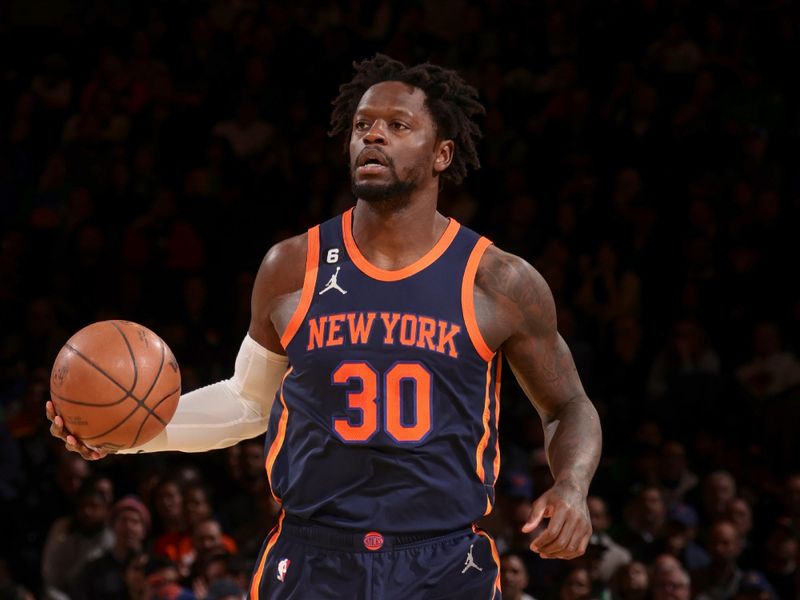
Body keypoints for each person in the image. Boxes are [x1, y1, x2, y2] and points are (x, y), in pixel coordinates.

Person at [47, 54, 602, 599]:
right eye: (362, 125)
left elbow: (568, 406)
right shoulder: (291, 268)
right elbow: (246, 405)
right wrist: (127, 434)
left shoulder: (499, 280)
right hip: (314, 559)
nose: (373, 137)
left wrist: (572, 486)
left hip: (443, 562)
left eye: (397, 125)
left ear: (442, 154)